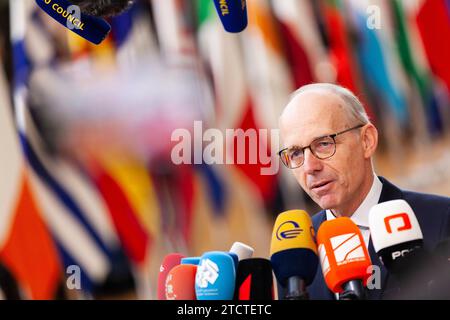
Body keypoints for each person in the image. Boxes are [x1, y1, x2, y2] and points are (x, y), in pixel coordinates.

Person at [278, 83, 450, 299]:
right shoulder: (295, 257)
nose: (309, 167)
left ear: (367, 140)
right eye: (295, 153)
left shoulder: (442, 219)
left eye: (323, 144)